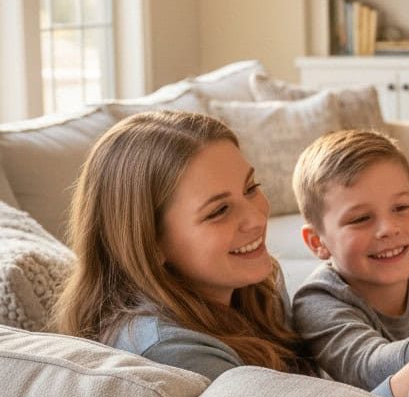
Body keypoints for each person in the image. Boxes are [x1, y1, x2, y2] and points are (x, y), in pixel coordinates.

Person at [53, 111, 315, 381]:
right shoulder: (170, 352)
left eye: (250, 188)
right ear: (150, 243)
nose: (258, 219)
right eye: (219, 210)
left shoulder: (256, 292)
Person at [291, 129, 409, 397]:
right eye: (360, 218)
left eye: (401, 208)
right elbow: (368, 368)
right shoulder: (316, 300)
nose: (388, 228)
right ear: (317, 241)